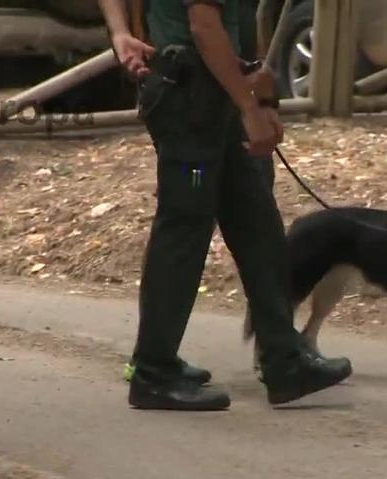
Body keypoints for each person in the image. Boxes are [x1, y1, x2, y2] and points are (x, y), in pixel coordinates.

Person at [97, 0, 353, 411]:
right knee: (184, 227)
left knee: (256, 220)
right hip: (192, 100)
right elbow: (204, 25)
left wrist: (119, 31)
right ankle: (153, 372)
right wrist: (250, 108)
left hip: (215, 93)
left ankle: (283, 359)